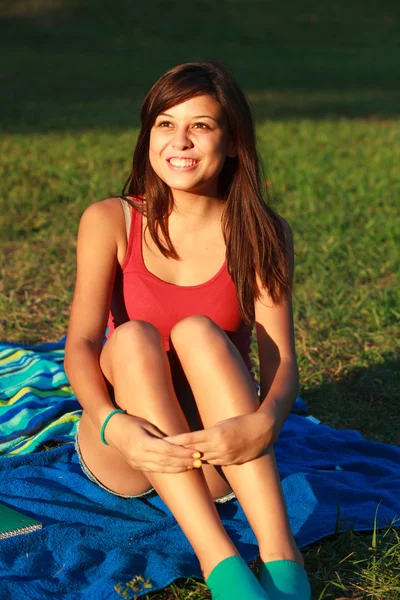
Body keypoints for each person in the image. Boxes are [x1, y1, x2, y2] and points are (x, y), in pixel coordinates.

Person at [64, 61, 311, 600]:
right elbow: (82, 343)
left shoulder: (262, 234)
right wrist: (112, 425)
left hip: (218, 454)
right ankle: (220, 563)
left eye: (201, 125)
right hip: (129, 450)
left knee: (200, 332)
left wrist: (264, 424)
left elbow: (282, 362)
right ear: (148, 135)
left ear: (233, 143)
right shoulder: (111, 220)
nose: (181, 140)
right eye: (165, 123)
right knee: (131, 338)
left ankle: (279, 553)